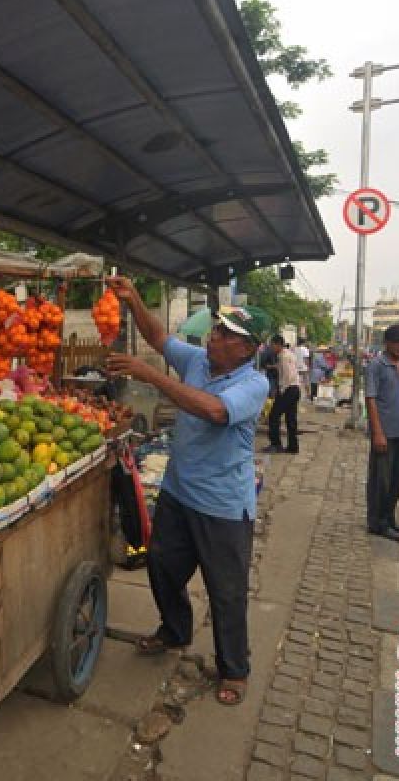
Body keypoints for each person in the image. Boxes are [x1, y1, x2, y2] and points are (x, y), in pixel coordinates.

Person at [103, 276, 268, 708]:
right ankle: (174, 631)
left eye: (226, 334)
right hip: (178, 492)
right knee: (159, 566)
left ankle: (234, 668)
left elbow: (213, 411)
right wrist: (134, 299)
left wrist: (153, 378)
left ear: (247, 349)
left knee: (226, 590)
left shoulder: (254, 385)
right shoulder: (196, 359)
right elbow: (158, 337)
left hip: (223, 506)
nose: (214, 336)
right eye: (217, 329)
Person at [365, 323, 399, 541]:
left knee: (397, 478)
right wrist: (377, 432)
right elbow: (371, 398)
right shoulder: (376, 366)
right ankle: (377, 523)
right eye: (396, 342)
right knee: (381, 480)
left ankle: (389, 517)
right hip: (385, 433)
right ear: (387, 343)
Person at [265, 336, 300, 454]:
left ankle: (276, 444)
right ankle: (293, 446)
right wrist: (272, 367)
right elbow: (287, 368)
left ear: (278, 344)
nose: (271, 347)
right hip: (295, 388)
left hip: (288, 389)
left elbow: (287, 374)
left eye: (272, 345)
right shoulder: (289, 354)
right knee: (291, 419)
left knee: (273, 416)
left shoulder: (283, 357)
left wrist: (281, 389)